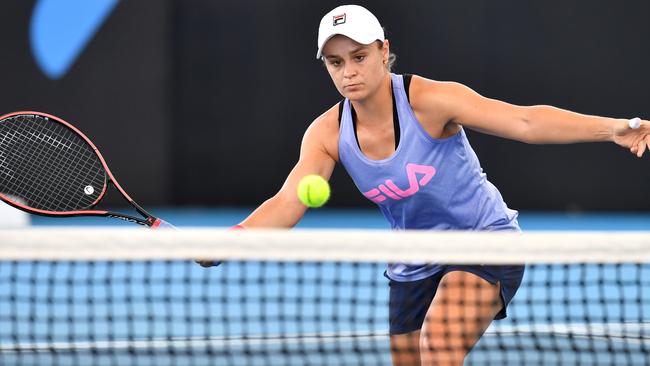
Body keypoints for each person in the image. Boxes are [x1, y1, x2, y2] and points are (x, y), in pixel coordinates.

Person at [199, 4, 649, 365]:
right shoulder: (327, 133)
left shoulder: (431, 101)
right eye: (336, 63)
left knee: (439, 347)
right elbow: (288, 201)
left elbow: (524, 120)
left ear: (383, 50)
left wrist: (613, 128)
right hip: (412, 263)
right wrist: (231, 240)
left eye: (359, 57)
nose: (349, 72)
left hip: (484, 244)